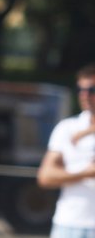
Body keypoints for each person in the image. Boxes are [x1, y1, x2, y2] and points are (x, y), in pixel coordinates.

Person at [37, 64, 95, 238]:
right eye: (81, 89)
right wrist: (86, 173)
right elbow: (45, 176)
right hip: (69, 224)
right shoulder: (67, 128)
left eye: (91, 89)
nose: (85, 95)